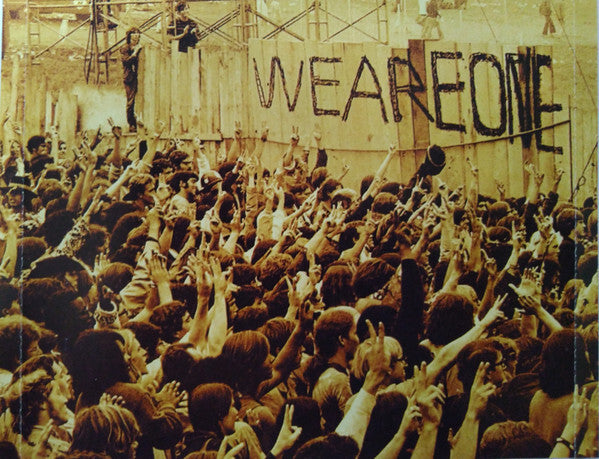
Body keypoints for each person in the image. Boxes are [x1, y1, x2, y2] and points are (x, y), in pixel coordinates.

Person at [120, 27, 141, 133]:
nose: (136, 37)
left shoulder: (139, 47)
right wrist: (135, 52)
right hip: (129, 77)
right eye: (133, 35)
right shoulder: (125, 48)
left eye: (137, 34)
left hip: (138, 76)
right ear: (129, 37)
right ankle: (131, 124)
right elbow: (126, 61)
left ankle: (137, 122)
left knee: (137, 100)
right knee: (130, 101)